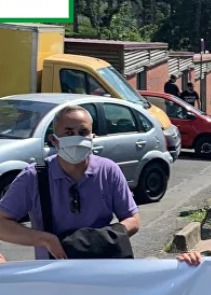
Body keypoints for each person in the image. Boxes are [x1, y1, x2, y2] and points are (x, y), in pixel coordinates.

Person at [0, 105, 140, 259]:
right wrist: (45, 240)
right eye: (68, 133)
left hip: (101, 267)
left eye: (83, 132)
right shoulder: (34, 176)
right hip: (54, 273)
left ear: (92, 137)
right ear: (54, 140)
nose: (76, 138)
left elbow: (132, 219)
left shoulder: (108, 171)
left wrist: (99, 239)